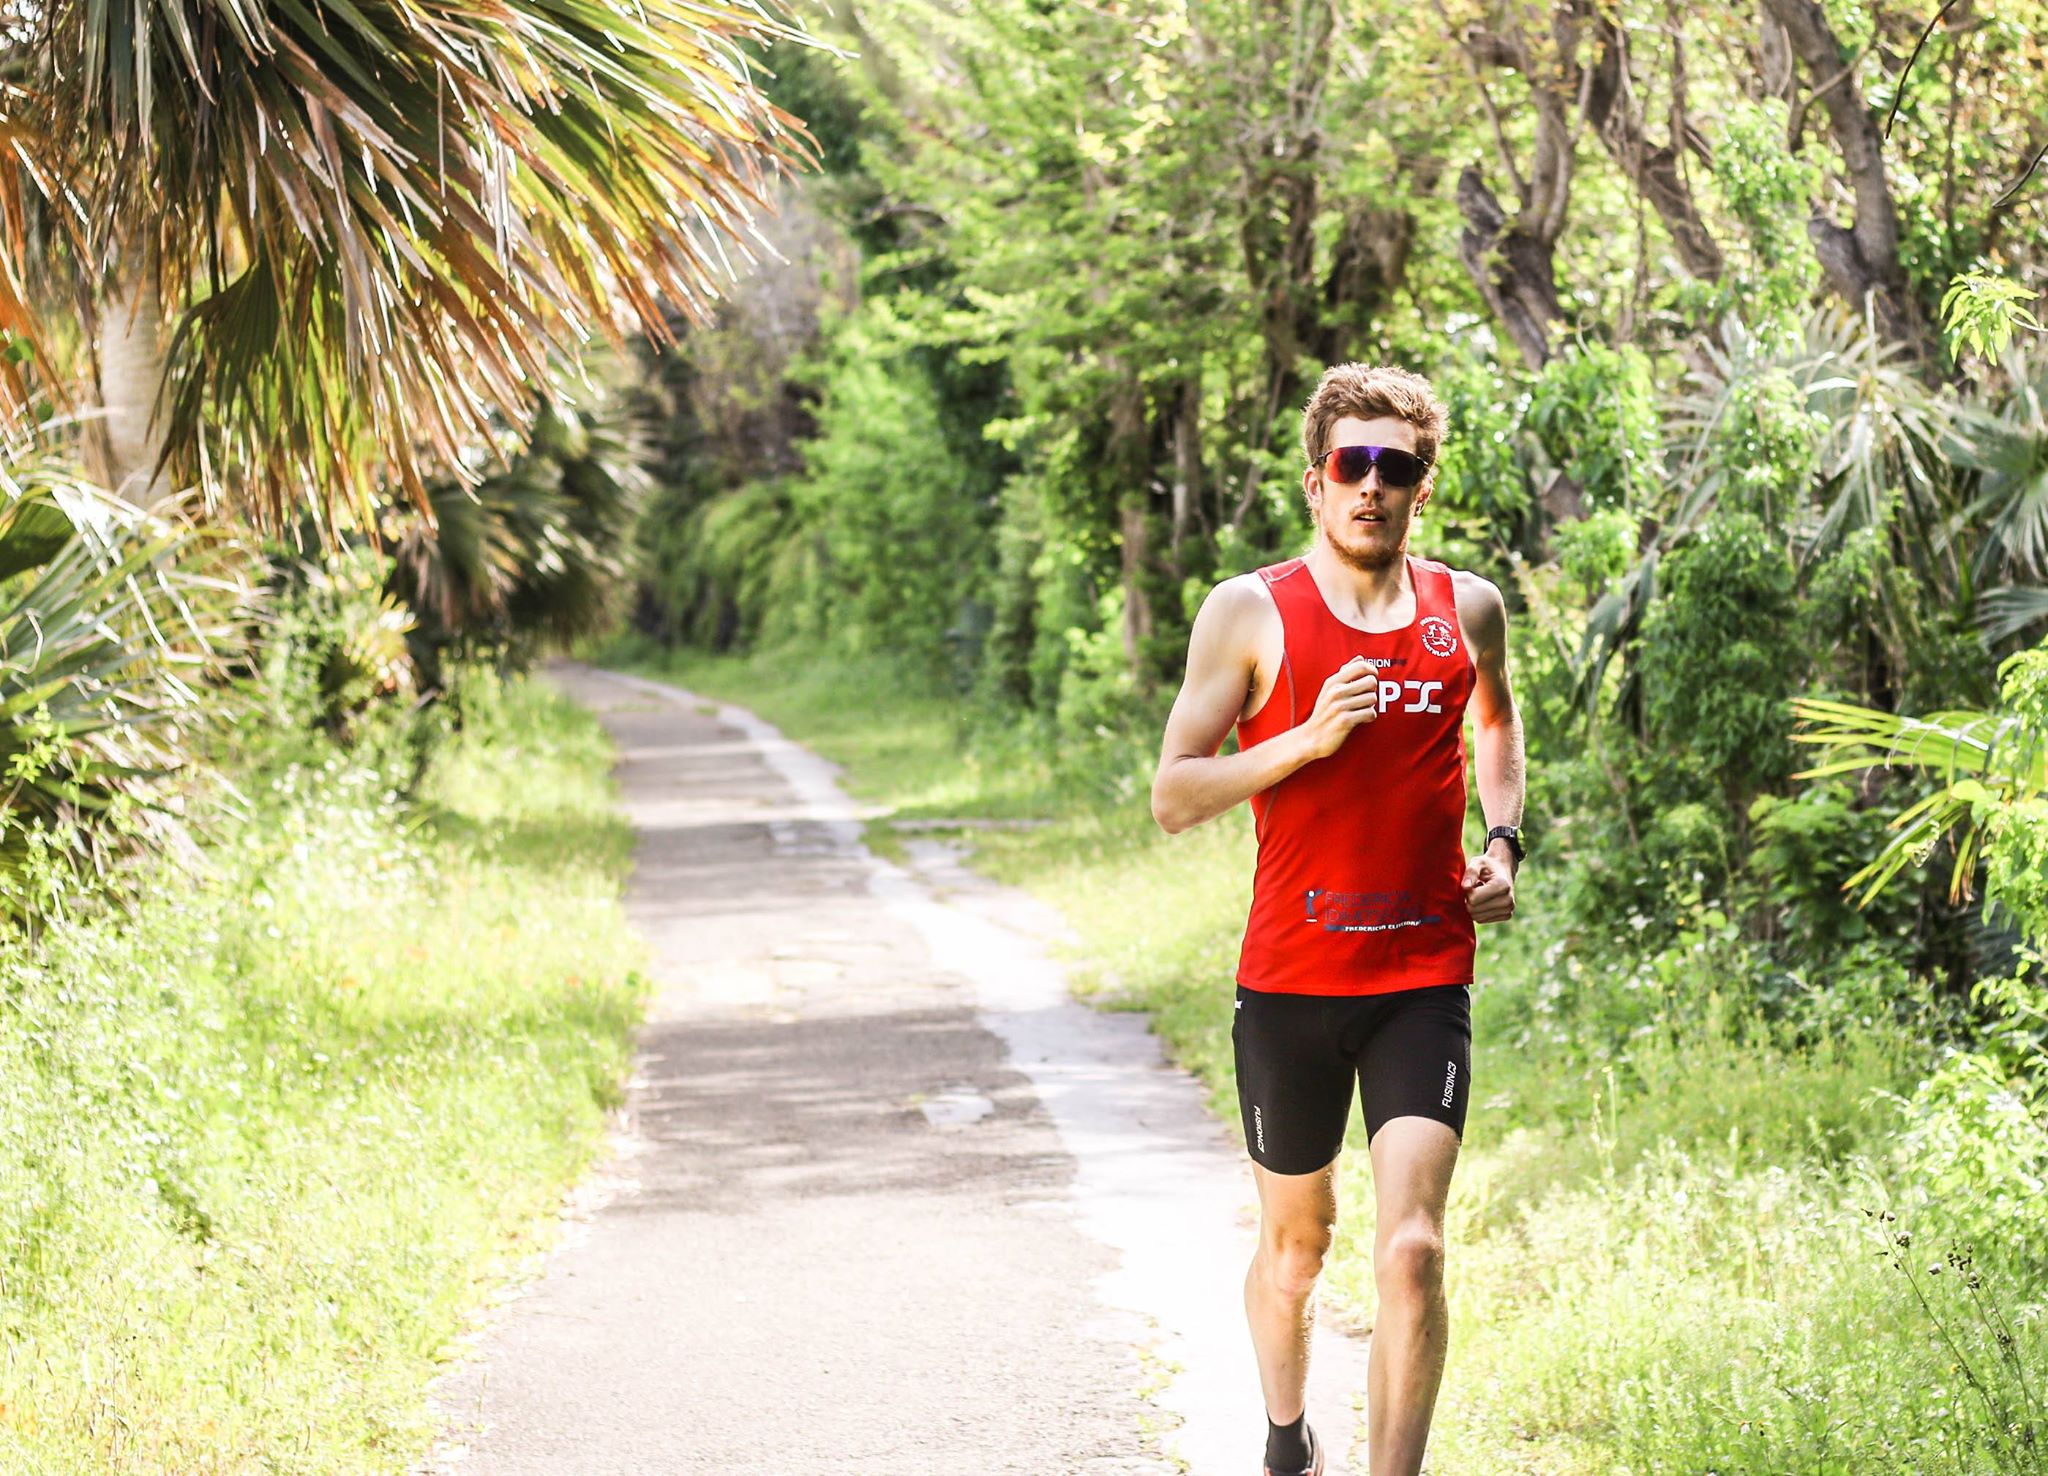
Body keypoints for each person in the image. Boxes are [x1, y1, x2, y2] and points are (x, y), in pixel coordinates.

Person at [1149, 363, 1526, 1476]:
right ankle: (1283, 1437)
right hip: (1289, 985)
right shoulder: (1251, 612)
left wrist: (1500, 842)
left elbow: (1496, 728)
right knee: (1295, 1249)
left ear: (1421, 485)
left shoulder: (1466, 610)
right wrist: (1303, 742)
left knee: (1410, 1251)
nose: (1371, 486)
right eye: (1350, 466)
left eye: (1393, 467)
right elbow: (1174, 793)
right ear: (1316, 483)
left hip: (1420, 978)